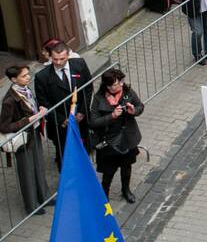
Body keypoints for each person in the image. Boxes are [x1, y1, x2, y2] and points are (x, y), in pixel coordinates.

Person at [88, 68, 144, 202]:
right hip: (109, 141)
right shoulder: (98, 98)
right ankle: (104, 197)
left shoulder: (127, 92)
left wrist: (133, 111)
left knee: (127, 166)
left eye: (121, 82)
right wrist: (111, 116)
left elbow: (140, 106)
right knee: (108, 172)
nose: (120, 85)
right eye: (116, 84)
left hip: (127, 137)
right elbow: (93, 122)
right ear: (107, 86)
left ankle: (126, 189)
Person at [34, 41, 92, 169]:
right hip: (60, 125)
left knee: (84, 150)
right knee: (64, 156)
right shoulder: (42, 77)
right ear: (50, 57)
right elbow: (43, 103)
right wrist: (61, 120)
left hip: (80, 119)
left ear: (68, 55)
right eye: (55, 59)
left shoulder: (80, 64)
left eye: (62, 59)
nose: (59, 62)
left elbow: (88, 89)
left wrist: (82, 111)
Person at [1, 64, 49, 214]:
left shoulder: (26, 89)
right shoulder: (9, 100)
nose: (28, 77)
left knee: (39, 166)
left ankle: (44, 197)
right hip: (22, 139)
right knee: (27, 172)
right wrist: (29, 120)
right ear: (14, 79)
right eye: (24, 76)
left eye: (28, 74)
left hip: (33, 134)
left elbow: (31, 107)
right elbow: (4, 127)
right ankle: (32, 206)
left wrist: (40, 109)